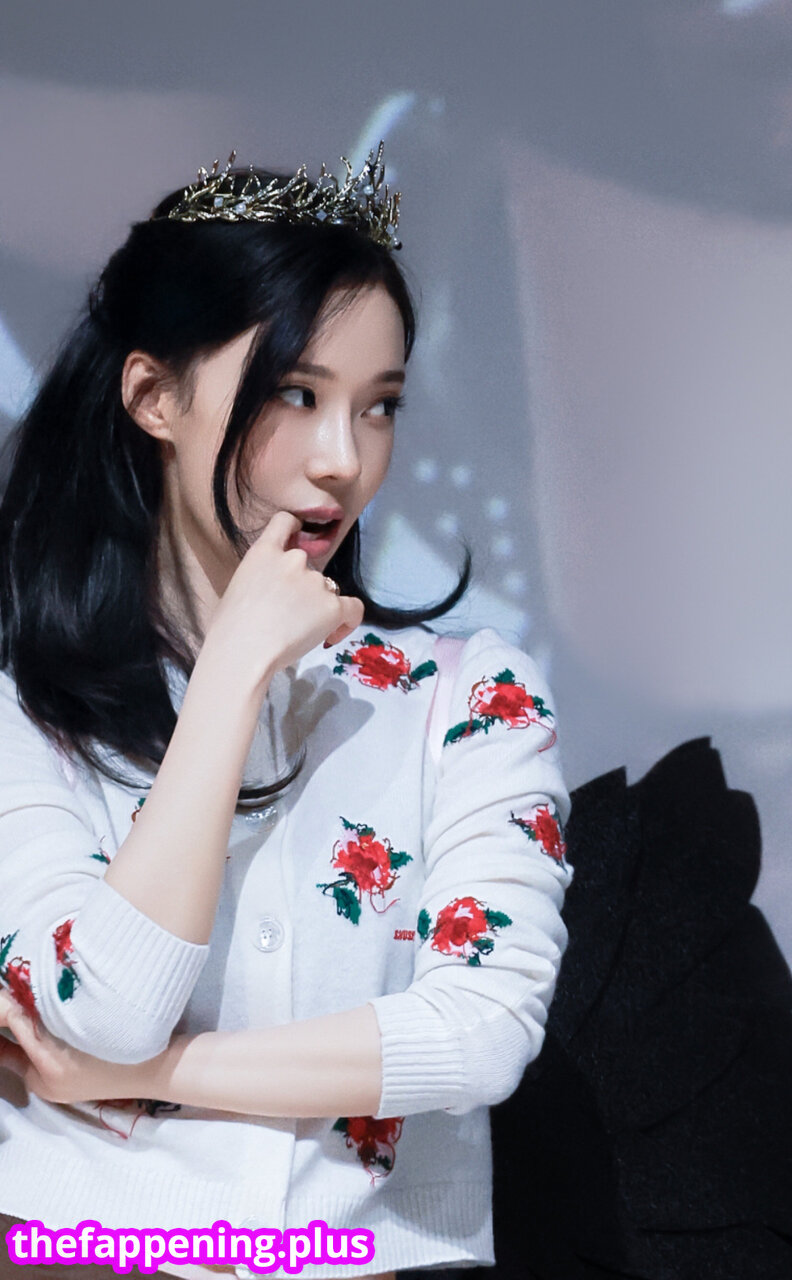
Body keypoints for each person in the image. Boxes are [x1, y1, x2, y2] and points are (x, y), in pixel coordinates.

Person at [0, 148, 571, 1280]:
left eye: (379, 406)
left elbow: (483, 1033)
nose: (343, 459)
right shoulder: (25, 705)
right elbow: (102, 1011)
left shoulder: (471, 694)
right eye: (295, 395)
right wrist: (231, 674)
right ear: (154, 397)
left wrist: (155, 1077)